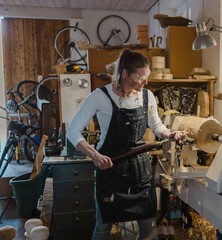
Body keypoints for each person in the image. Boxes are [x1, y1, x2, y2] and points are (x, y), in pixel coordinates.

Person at [67, 49, 184, 240]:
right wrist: (95, 155)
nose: (145, 83)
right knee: (103, 228)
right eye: (140, 78)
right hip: (111, 169)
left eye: (147, 77)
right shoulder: (100, 96)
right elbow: (72, 131)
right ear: (124, 74)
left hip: (140, 172)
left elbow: (156, 125)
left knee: (148, 230)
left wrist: (169, 133)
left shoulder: (147, 96)